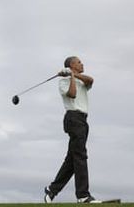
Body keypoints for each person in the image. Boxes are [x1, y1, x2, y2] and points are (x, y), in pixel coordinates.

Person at [44, 56, 101, 203]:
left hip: (82, 120)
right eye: (79, 62)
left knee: (72, 159)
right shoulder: (63, 81)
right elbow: (72, 94)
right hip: (73, 118)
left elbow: (91, 80)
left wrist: (74, 75)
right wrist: (70, 77)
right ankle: (83, 195)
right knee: (80, 156)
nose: (82, 64)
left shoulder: (81, 79)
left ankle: (52, 190)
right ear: (71, 65)